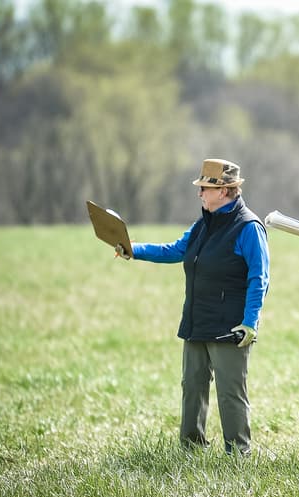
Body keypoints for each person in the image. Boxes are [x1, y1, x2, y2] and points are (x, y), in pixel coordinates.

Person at [123, 158, 270, 456]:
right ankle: (190, 449)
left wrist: (250, 323)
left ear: (223, 191)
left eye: (204, 188)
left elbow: (260, 277)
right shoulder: (203, 224)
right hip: (196, 321)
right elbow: (175, 250)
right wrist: (133, 249)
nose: (199, 193)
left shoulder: (249, 227)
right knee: (192, 386)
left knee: (230, 394)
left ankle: (238, 454)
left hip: (231, 327)